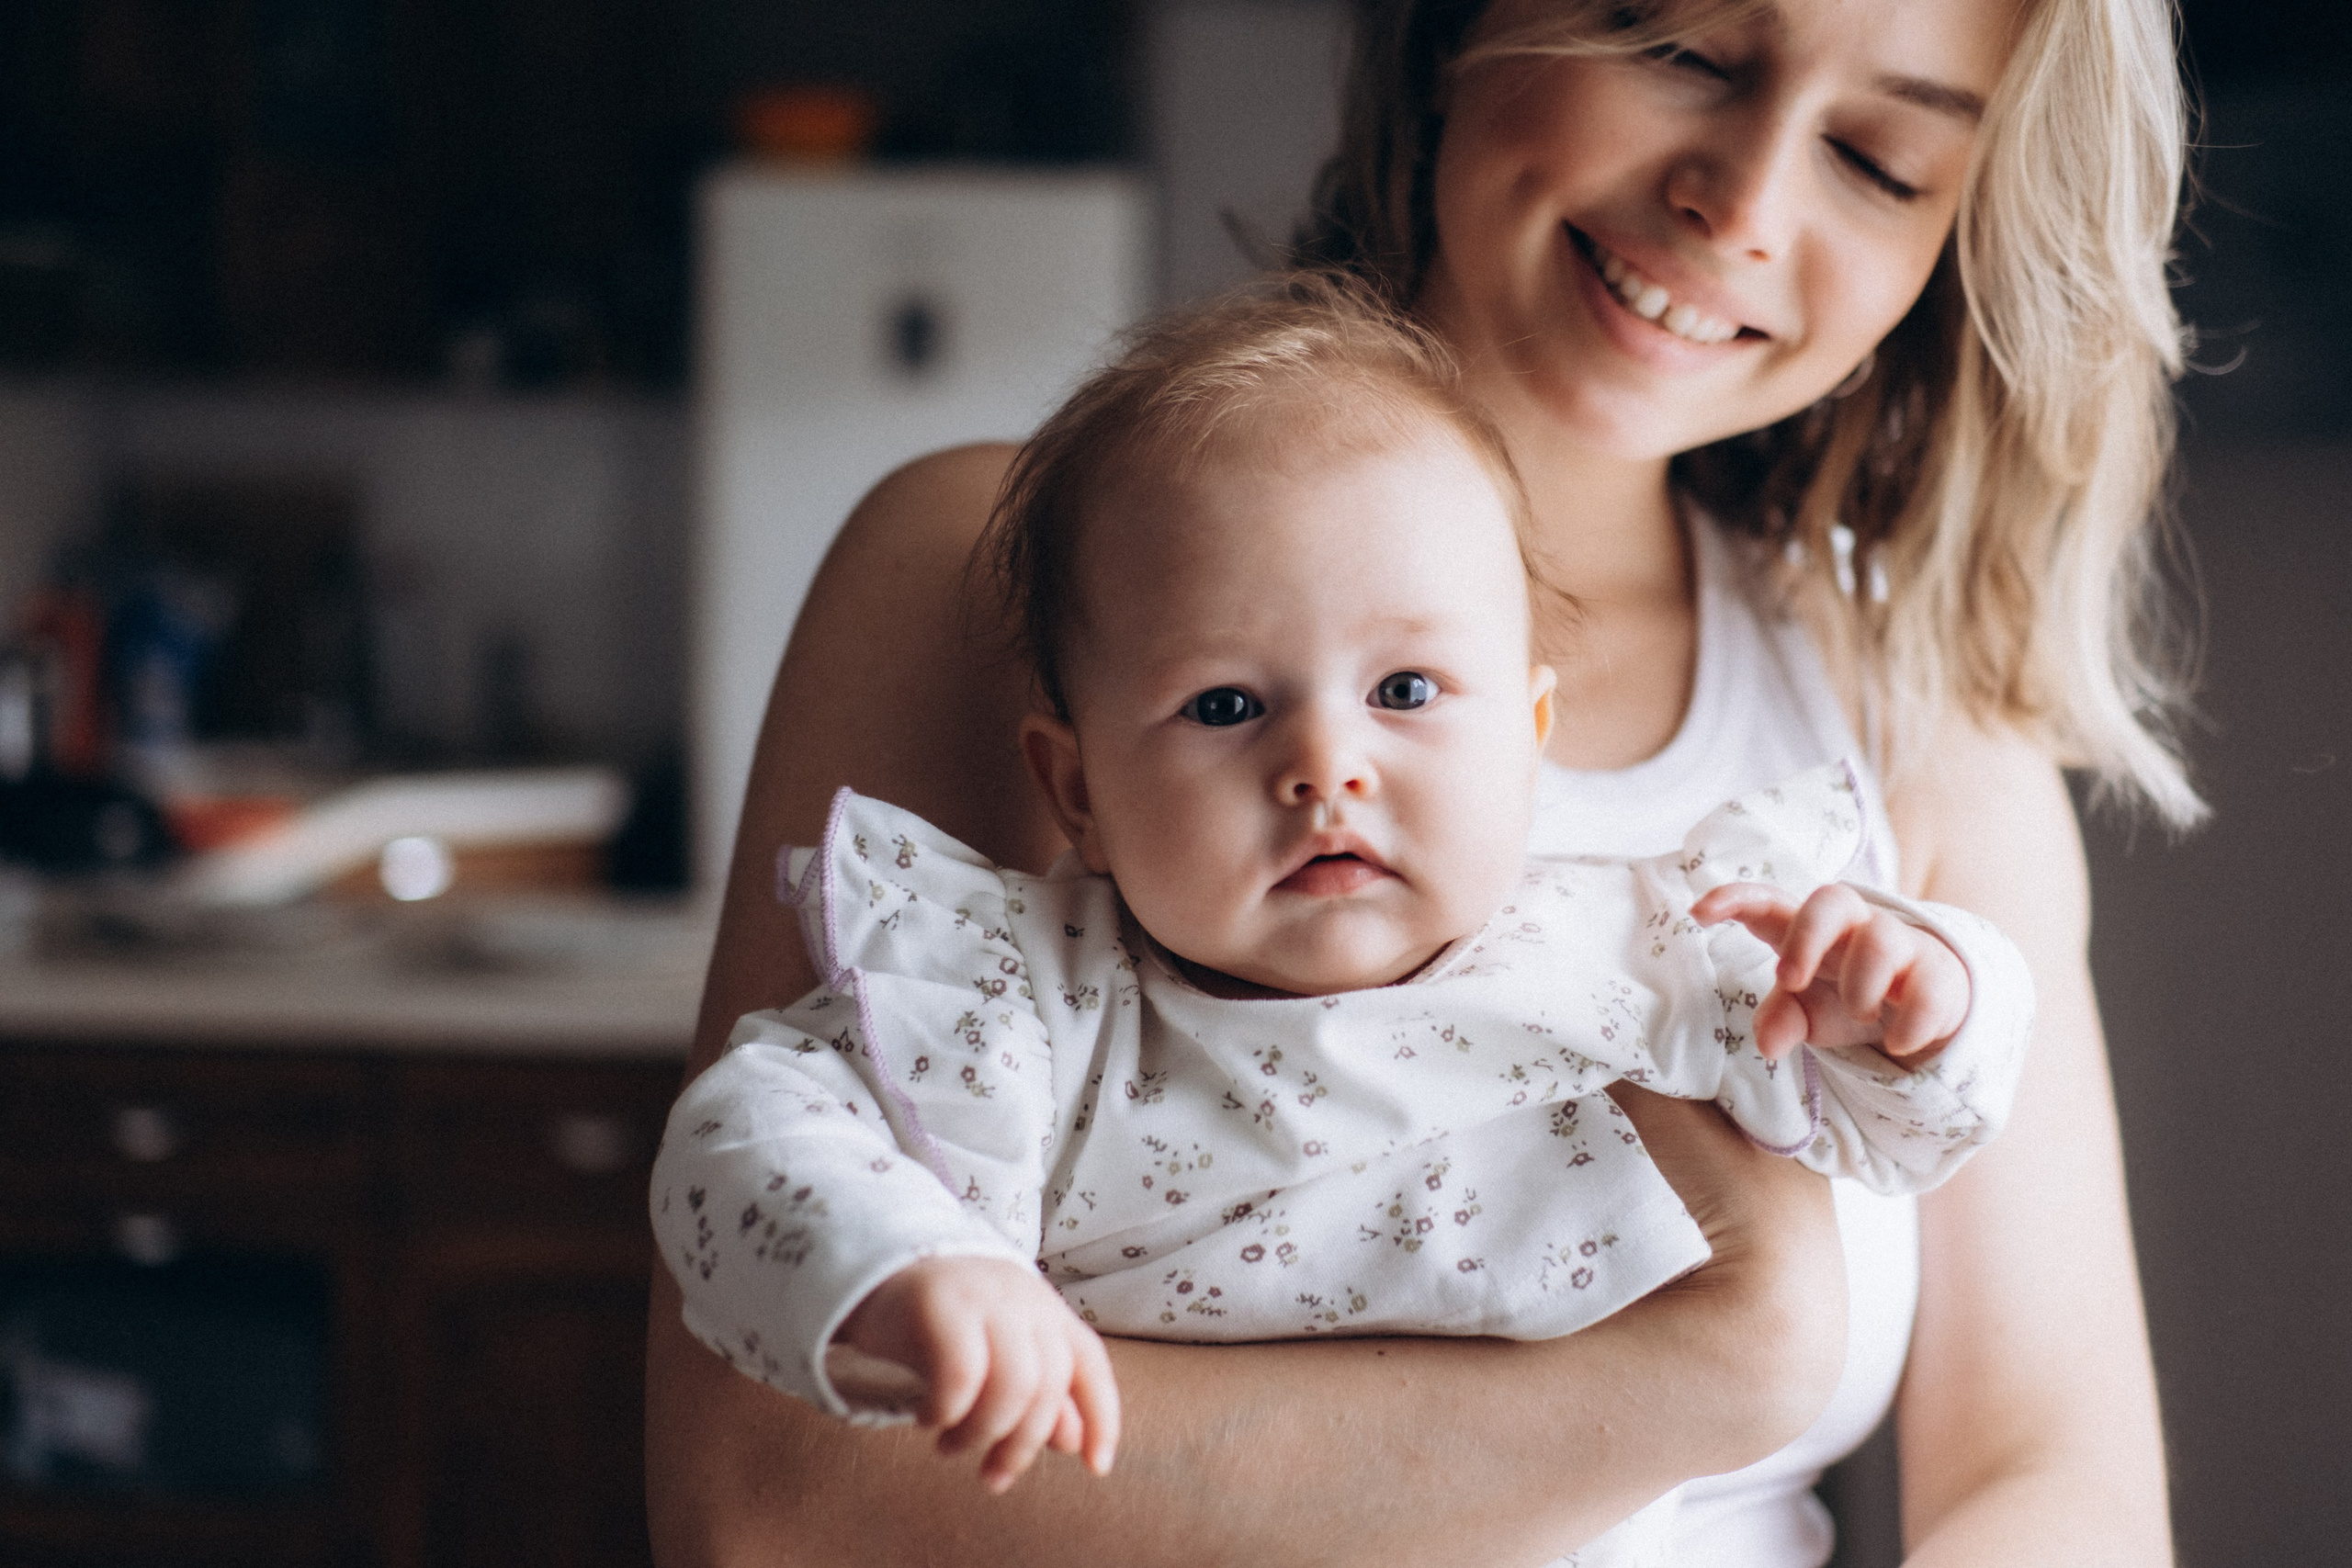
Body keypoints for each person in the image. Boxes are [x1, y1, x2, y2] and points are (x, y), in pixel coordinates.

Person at [644, 1, 2192, 1562]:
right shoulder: (988, 583)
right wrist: (1705, 1372)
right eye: (1685, 53)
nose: (1745, 203)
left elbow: (2054, 1483)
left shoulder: (1912, 732)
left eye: (1877, 154)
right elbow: (779, 1506)